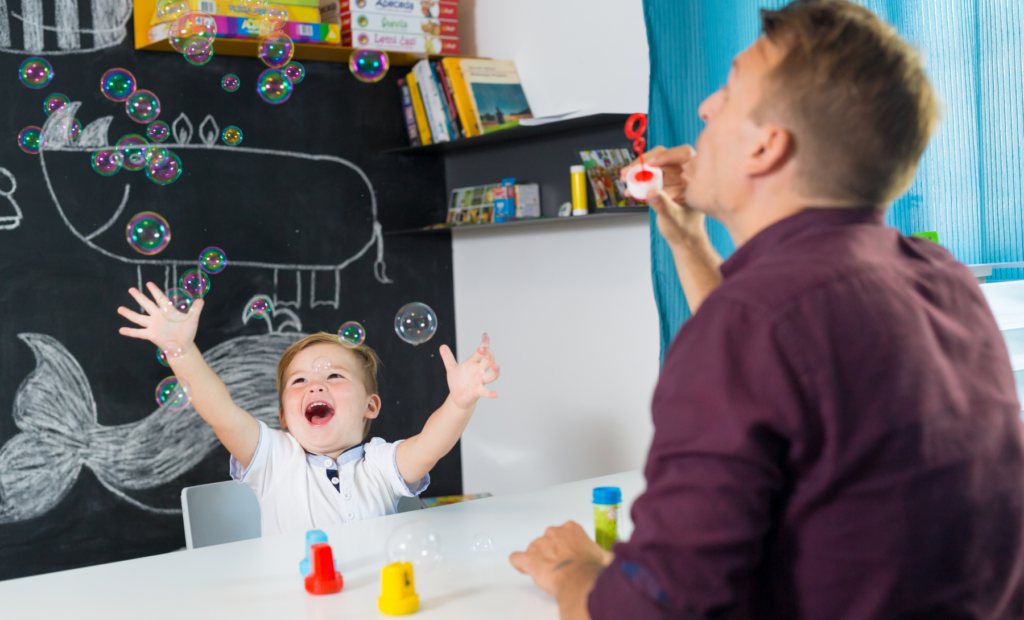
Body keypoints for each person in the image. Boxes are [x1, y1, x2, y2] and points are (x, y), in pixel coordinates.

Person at [510, 1, 1024, 618]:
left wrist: (573, 571)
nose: (703, 107)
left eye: (726, 93)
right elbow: (769, 361)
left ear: (766, 149)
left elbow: (652, 612)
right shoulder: (943, 278)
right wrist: (689, 239)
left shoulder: (754, 323)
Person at [117, 283, 500, 536]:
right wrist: (180, 352)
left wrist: (459, 401)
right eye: (298, 382)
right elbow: (220, 410)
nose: (315, 384)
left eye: (334, 376)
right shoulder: (272, 458)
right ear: (283, 417)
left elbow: (431, 444)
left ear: (371, 405)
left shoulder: (381, 463)